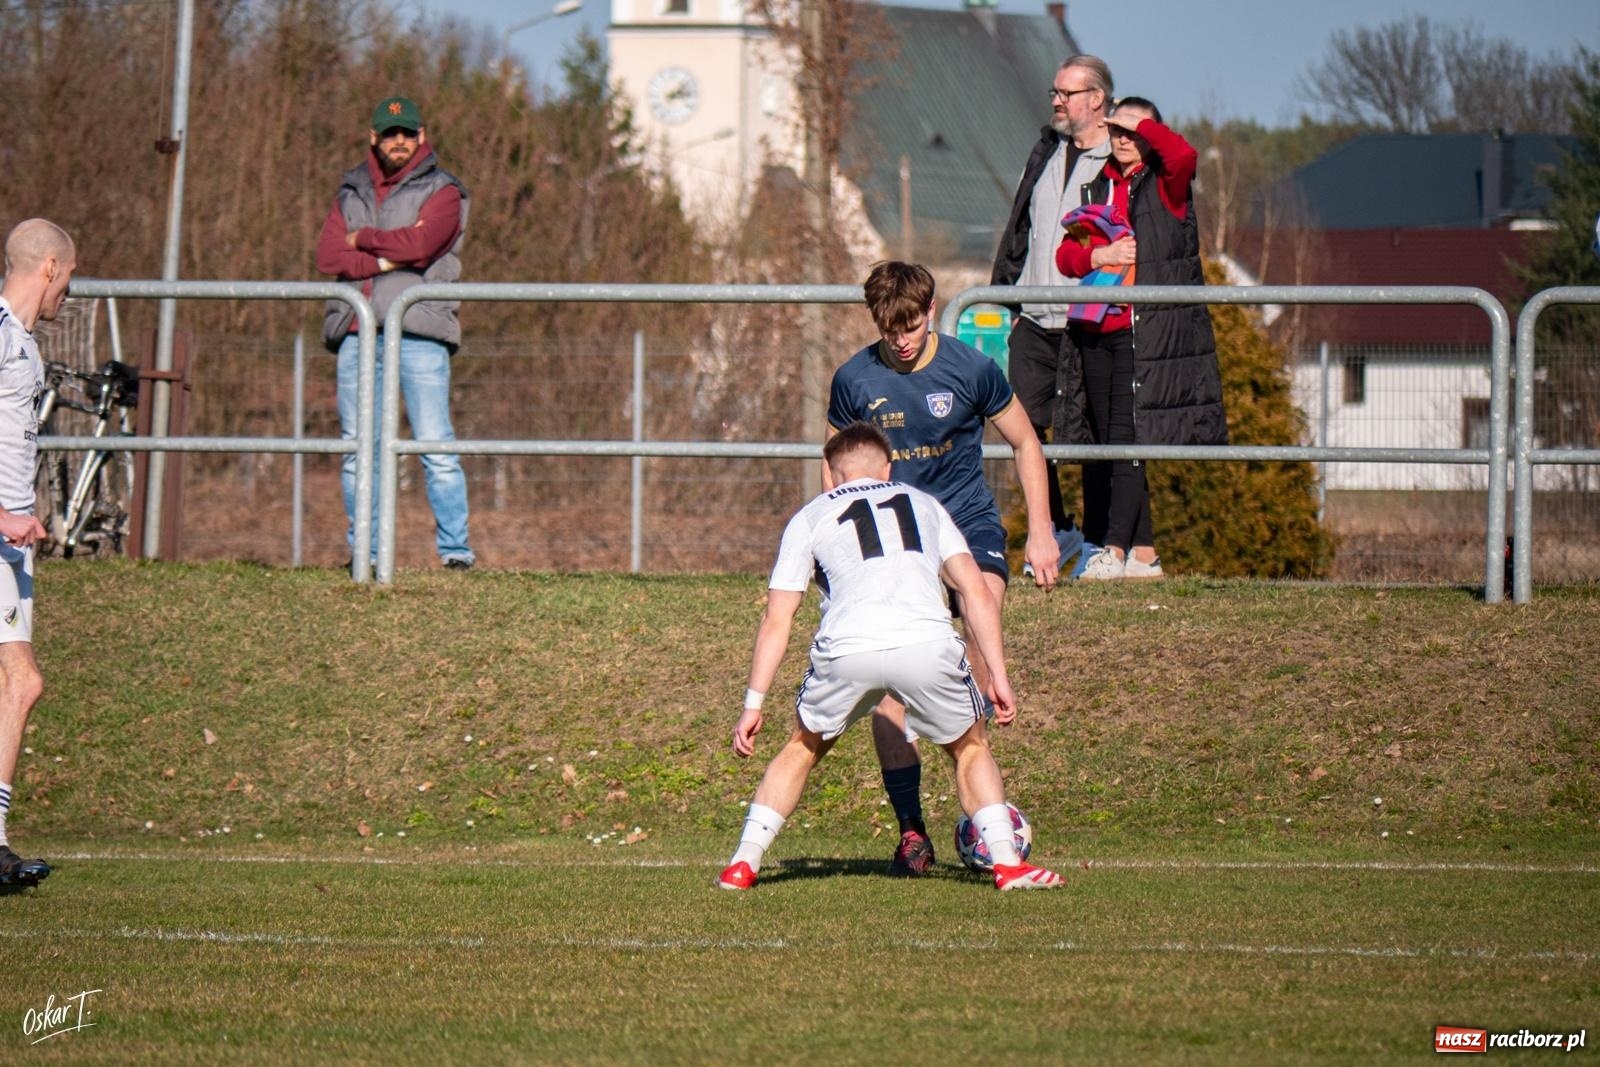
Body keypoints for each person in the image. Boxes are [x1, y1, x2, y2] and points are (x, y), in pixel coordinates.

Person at [718, 422, 1064, 892]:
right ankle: (1007, 864)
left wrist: (753, 703)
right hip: (925, 642)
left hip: (848, 647)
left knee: (802, 746)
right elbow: (975, 590)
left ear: (834, 476)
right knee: (969, 747)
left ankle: (743, 864)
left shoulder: (810, 516)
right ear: (887, 469)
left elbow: (778, 618)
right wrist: (998, 674)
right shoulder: (925, 504)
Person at [826, 260, 1058, 878]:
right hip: (896, 542)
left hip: (967, 528)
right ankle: (911, 831)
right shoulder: (854, 379)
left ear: (931, 311)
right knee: (892, 696)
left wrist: (1040, 532)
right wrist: (833, 551)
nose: (901, 339)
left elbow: (1026, 442)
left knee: (978, 638)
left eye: (910, 324)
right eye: (889, 327)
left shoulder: (971, 369)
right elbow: (836, 469)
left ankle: (987, 816)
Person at [1053, 97, 1227, 580]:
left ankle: (1113, 547)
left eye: (1135, 130)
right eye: (1117, 129)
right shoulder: (1095, 187)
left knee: (1127, 438)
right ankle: (1143, 553)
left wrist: (1144, 123)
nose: (1124, 138)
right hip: (1093, 326)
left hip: (1143, 331)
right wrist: (1099, 256)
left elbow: (1183, 157)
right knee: (1106, 439)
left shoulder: (1167, 183)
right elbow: (1066, 256)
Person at [316, 95, 475, 570]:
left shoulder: (445, 191)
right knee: (358, 449)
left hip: (420, 332)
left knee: (434, 445)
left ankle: (455, 554)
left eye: (407, 132)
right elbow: (328, 257)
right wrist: (392, 256)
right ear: (374, 138)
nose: (399, 141)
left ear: (421, 137)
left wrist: (363, 242)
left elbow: (425, 245)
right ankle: (364, 556)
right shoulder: (350, 191)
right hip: (357, 332)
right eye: (390, 133)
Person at [991, 53, 1118, 575]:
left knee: (1089, 433)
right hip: (1034, 316)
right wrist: (1011, 296)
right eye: (1055, 93)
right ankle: (1056, 527)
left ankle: (1098, 541)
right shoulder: (1044, 151)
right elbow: (1020, 227)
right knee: (1022, 425)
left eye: (1067, 94)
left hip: (1086, 319)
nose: (1057, 102)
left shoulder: (1117, 160)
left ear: (1097, 100)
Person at [0, 219, 75, 887]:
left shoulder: (24, 346)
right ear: (49, 267)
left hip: (10, 545)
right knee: (22, 683)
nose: (66, 294)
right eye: (68, 279)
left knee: (16, 685)